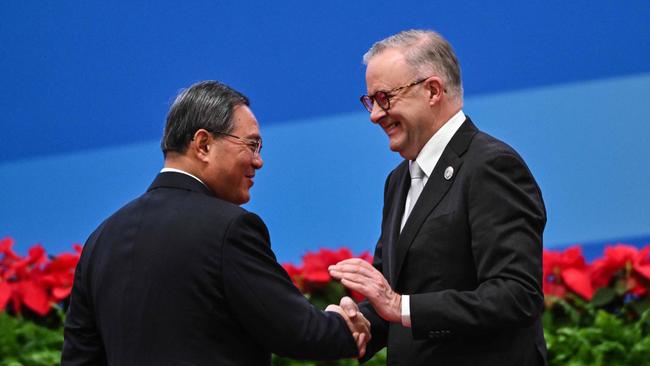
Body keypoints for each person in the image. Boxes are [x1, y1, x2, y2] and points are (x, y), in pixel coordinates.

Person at [61, 80, 370, 365]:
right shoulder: (230, 229)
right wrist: (344, 326)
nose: (258, 161)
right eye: (251, 145)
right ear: (204, 144)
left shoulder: (101, 239)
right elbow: (302, 333)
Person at [329, 29, 547, 365]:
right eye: (370, 101)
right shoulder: (398, 180)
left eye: (385, 97)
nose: (374, 115)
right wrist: (360, 322)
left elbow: (516, 295)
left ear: (432, 90)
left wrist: (400, 306)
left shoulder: (491, 165)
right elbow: (394, 291)